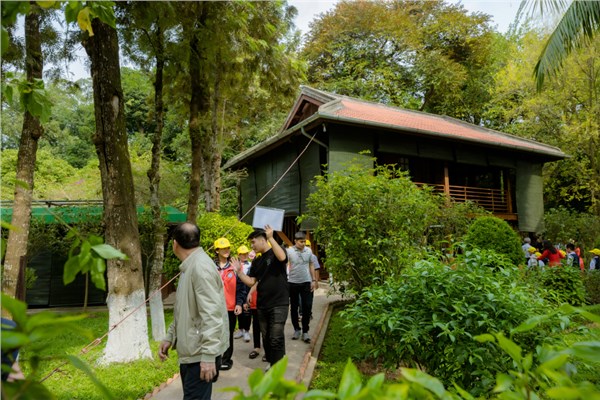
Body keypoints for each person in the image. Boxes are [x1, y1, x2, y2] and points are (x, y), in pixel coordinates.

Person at [159, 222, 229, 400]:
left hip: (200, 354)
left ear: (175, 244)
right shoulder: (189, 266)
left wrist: (208, 356)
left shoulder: (200, 267)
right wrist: (170, 336)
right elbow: (185, 310)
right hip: (194, 351)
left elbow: (212, 314)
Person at [232, 225, 288, 370]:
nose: (252, 246)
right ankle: (273, 359)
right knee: (267, 336)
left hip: (279, 303)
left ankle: (276, 368)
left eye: (253, 242)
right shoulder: (257, 261)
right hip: (263, 304)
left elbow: (282, 258)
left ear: (263, 240)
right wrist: (239, 272)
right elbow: (252, 282)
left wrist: (271, 238)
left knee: (276, 336)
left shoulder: (277, 252)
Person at [214, 237, 245, 371]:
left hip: (230, 307)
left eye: (227, 248)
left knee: (228, 334)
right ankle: (215, 359)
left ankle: (226, 359)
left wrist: (239, 303)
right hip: (213, 308)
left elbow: (241, 288)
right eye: (223, 248)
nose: (226, 250)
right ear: (217, 250)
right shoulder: (211, 267)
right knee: (214, 334)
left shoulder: (234, 266)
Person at [287, 232, 317, 343]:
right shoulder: (289, 251)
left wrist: (313, 280)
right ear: (295, 241)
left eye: (304, 241)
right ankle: (296, 329)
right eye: (301, 241)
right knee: (294, 307)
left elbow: (311, 264)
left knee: (307, 306)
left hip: (306, 282)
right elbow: (285, 264)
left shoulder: (308, 251)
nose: (303, 243)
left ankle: (305, 331)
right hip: (293, 283)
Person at [235, 245, 252, 343]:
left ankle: (246, 330)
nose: (244, 255)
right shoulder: (234, 265)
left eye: (246, 253)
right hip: (238, 291)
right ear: (238, 255)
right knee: (239, 311)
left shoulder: (250, 265)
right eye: (242, 254)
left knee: (247, 312)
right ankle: (240, 329)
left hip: (247, 290)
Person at [245, 282, 262, 360]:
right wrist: (246, 300)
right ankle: (256, 347)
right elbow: (249, 283)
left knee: (267, 326)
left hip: (266, 300)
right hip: (254, 300)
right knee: (256, 325)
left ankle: (268, 350)